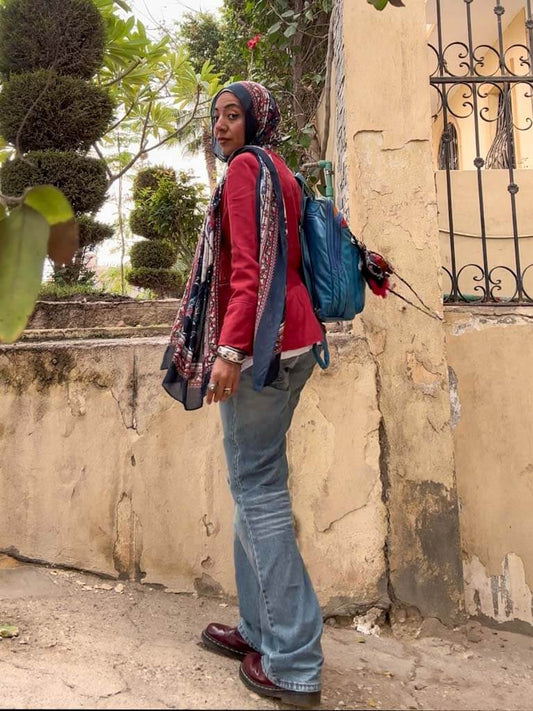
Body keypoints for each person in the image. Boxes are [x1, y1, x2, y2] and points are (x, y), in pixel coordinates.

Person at [161, 80, 324, 708]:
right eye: (216, 116)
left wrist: (230, 351)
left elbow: (247, 270)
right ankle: (259, 629)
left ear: (256, 119)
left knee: (257, 491)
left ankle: (294, 660)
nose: (221, 125)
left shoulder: (244, 171)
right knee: (254, 483)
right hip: (296, 339)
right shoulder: (279, 170)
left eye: (233, 115)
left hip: (261, 348)